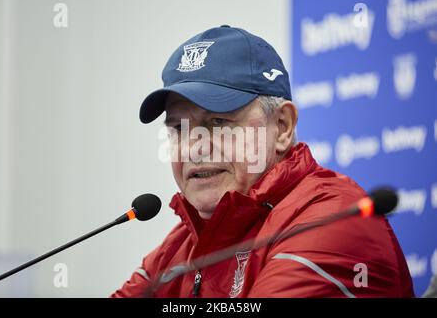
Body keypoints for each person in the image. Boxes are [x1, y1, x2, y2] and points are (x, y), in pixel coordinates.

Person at [111, 25, 414, 298]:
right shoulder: (179, 247)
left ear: (282, 126)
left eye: (218, 121)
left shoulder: (335, 219)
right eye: (179, 128)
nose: (193, 147)